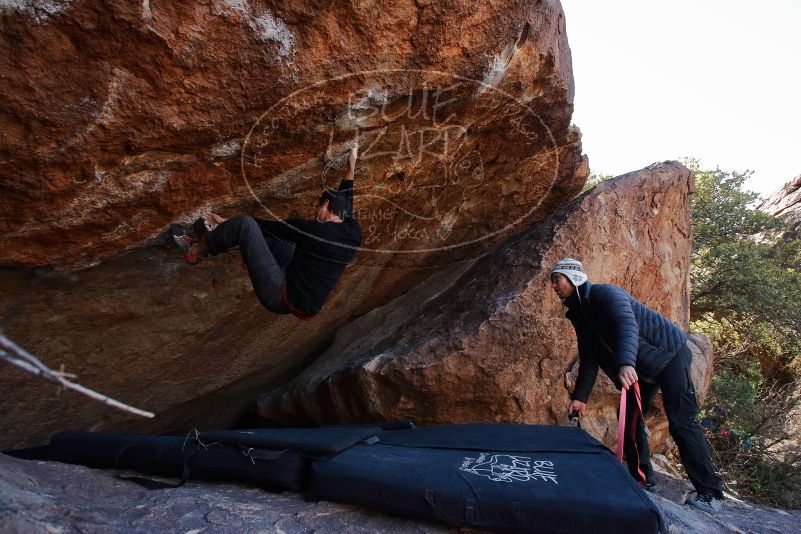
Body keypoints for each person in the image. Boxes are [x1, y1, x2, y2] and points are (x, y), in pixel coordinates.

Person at [550, 258, 725, 514]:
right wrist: (580, 397)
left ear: (573, 276)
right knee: (630, 418)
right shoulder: (579, 313)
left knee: (681, 421)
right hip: (643, 367)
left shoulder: (606, 293)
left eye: (557, 279)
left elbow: (627, 326)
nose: (553, 285)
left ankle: (711, 493)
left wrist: (625, 363)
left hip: (670, 354)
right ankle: (642, 479)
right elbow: (589, 356)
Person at [176, 144, 362, 320]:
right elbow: (348, 194)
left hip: (282, 296)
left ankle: (195, 250)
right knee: (283, 243)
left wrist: (230, 223)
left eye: (318, 206)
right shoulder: (352, 231)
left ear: (325, 205)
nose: (315, 212)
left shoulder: (313, 230)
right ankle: (232, 239)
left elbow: (269, 227)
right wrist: (351, 164)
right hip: (298, 285)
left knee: (245, 225)